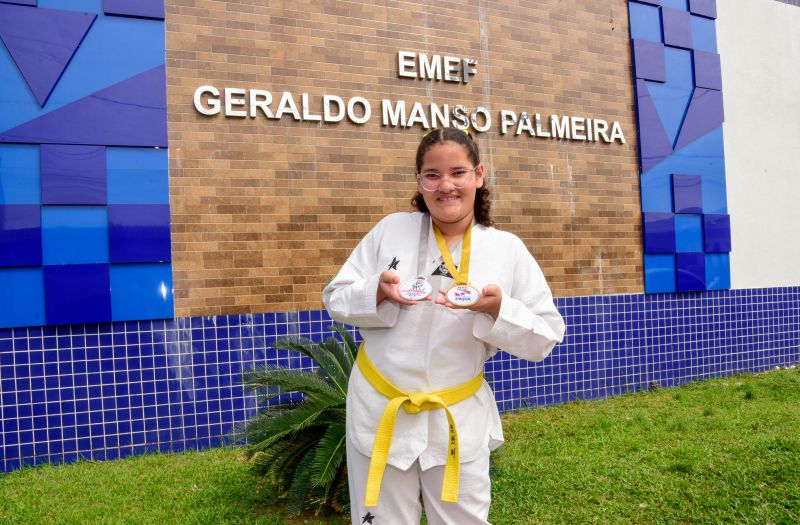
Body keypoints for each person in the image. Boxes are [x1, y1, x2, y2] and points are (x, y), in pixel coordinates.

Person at [323, 127, 565, 525]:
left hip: (456, 416)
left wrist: (498, 310)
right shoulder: (390, 230)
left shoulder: (506, 249)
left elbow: (546, 335)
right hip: (381, 407)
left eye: (458, 172)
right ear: (419, 181)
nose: (445, 186)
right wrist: (376, 293)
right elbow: (335, 296)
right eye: (432, 175)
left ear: (479, 175)